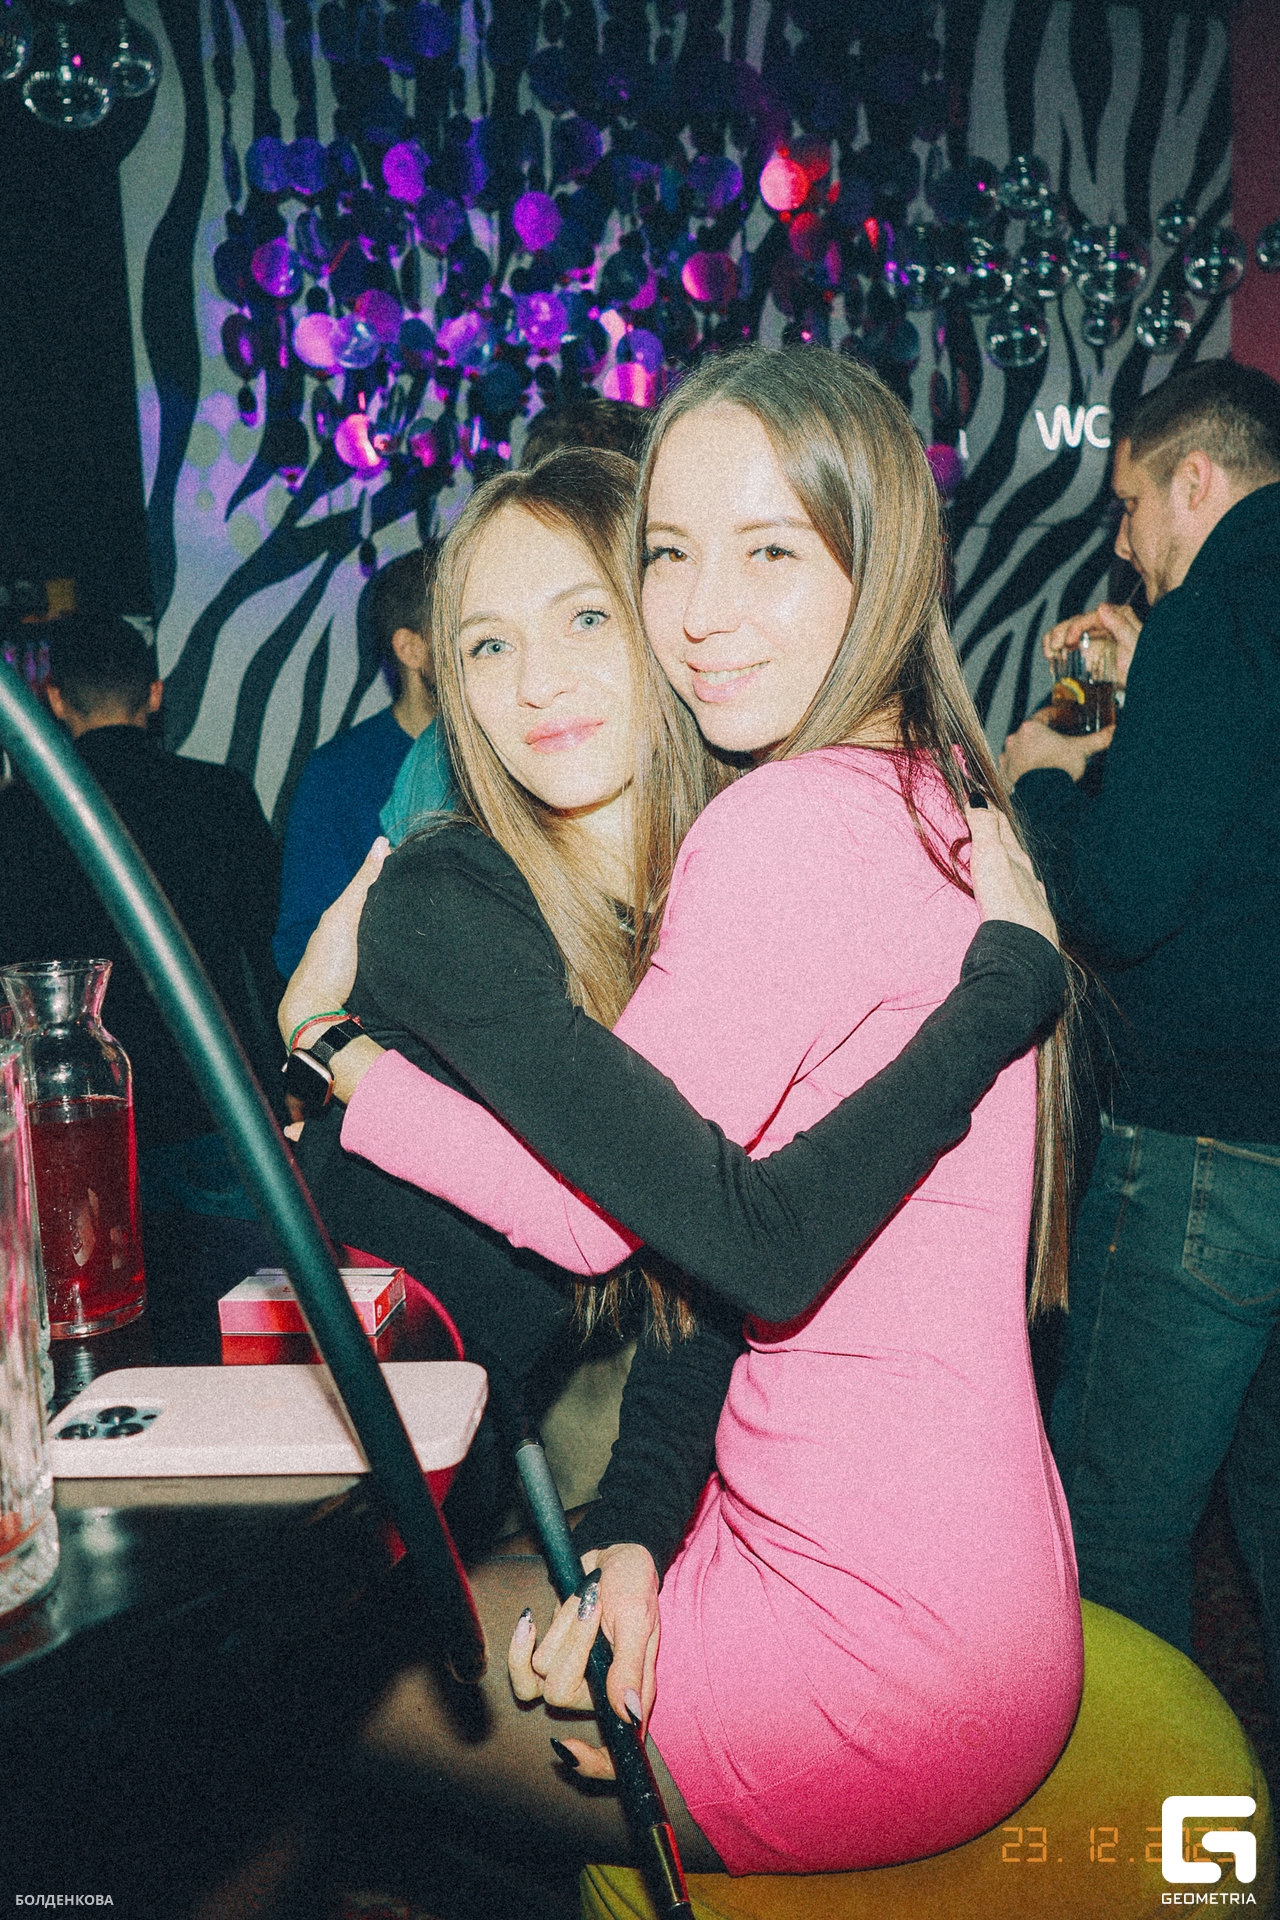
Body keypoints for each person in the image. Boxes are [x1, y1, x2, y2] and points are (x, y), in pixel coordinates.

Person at [282, 349, 1079, 1884]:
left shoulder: (773, 827)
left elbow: (636, 1232)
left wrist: (334, 1052)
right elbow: (726, 1250)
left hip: (866, 1661)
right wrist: (642, 1535)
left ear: (879, 562)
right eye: (671, 555)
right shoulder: (937, 795)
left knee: (281, 1681)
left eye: (769, 551)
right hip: (992, 1610)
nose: (703, 611)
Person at [1000, 357, 1280, 1716]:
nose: (1121, 542)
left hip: (1203, 1149)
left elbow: (1119, 902)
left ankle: (1138, 1828)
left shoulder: (1211, 608)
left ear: (1196, 479)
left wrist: (1046, 785)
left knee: (1113, 1529)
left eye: (1129, 506)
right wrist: (1137, 692)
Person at [0, 611, 281, 1202]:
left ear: (54, 699)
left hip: (77, 1106)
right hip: (217, 1095)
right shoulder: (221, 794)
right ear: (154, 694)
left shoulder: (17, 817)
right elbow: (268, 949)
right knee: (238, 1258)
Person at [272, 545, 448, 976]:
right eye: (461, 629)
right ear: (411, 649)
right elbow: (300, 943)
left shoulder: (513, 750)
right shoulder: (337, 774)